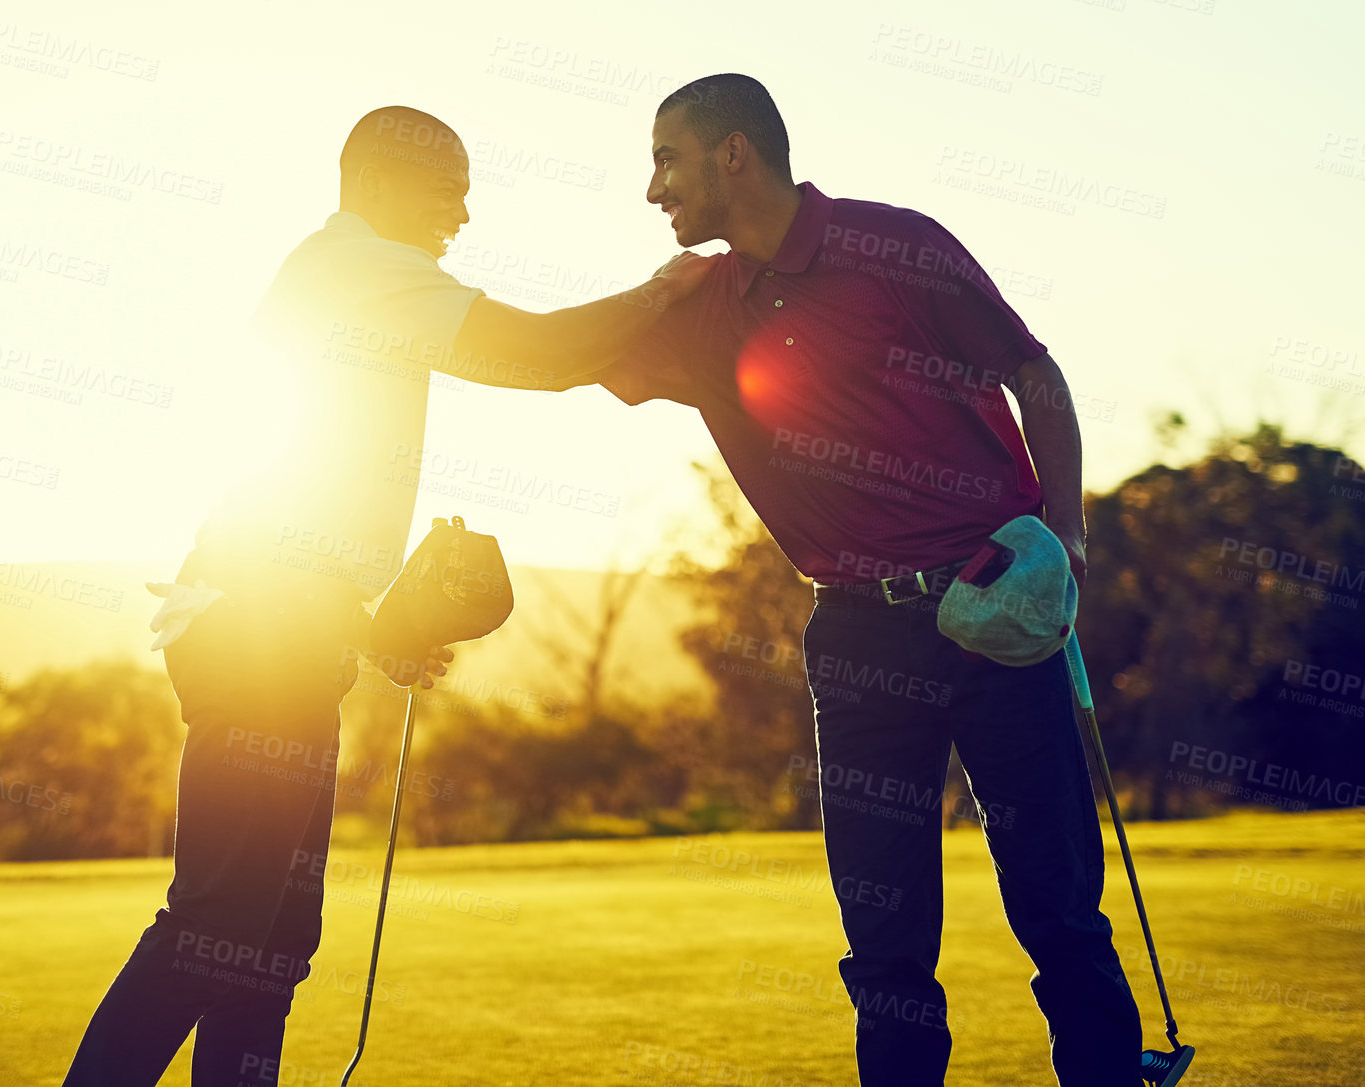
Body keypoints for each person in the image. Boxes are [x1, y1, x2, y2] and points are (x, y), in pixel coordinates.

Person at [59, 105, 707, 1087]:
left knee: (271, 938)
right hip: (253, 631)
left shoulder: (359, 277)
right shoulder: (358, 267)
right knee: (220, 922)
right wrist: (667, 285)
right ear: (374, 186)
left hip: (283, 626)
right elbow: (535, 355)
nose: (462, 214)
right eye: (447, 189)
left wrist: (366, 629)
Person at [553, 74, 1143, 1086]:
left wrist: (1064, 538)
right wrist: (642, 295)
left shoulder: (896, 244)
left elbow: (1030, 374)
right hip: (857, 642)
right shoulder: (697, 308)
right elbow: (556, 357)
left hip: (993, 607)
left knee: (1055, 901)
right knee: (882, 930)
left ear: (732, 153)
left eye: (665, 158)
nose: (652, 190)